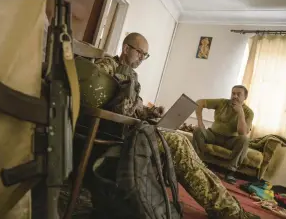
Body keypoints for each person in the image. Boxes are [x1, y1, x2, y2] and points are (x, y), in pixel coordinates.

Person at [94, 32, 259, 219]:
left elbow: (134, 108)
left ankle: (228, 207)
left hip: (135, 130)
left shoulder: (132, 75)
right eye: (140, 52)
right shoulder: (107, 66)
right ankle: (229, 211)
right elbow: (96, 98)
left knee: (180, 142)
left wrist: (151, 112)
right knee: (178, 142)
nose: (142, 58)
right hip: (121, 133)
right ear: (126, 49)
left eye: (144, 55)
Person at [193, 86, 254, 184]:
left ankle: (230, 172)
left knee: (245, 139)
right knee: (198, 131)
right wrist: (200, 122)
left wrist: (241, 113)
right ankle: (197, 161)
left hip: (230, 141)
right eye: (233, 93)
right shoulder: (222, 102)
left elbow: (242, 132)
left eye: (239, 94)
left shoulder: (248, 112)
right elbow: (199, 102)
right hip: (212, 135)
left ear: (245, 97)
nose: (235, 96)